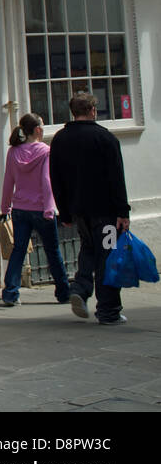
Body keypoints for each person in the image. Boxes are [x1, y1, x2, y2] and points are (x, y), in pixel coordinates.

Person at [50, 91, 131, 325]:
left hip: (79, 211)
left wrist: (64, 211)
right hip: (105, 212)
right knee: (107, 256)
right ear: (93, 110)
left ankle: (80, 288)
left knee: (88, 248)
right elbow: (117, 178)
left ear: (73, 112)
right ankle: (108, 310)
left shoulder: (60, 139)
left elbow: (55, 178)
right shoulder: (105, 138)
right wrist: (122, 212)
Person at [0, 113, 70, 306]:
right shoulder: (46, 151)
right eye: (43, 126)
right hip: (41, 209)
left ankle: (10, 293)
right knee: (53, 251)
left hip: (20, 209)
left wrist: (5, 208)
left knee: (18, 250)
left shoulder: (13, 152)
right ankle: (63, 293)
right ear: (37, 130)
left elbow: (8, 182)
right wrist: (49, 209)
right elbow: (47, 182)